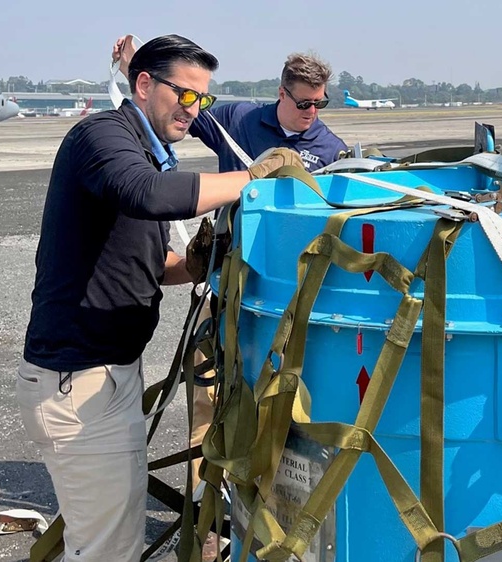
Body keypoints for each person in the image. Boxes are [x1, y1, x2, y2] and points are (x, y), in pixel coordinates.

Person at [16, 34, 301, 562]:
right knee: (106, 549)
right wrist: (253, 178)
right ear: (144, 84)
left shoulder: (148, 154)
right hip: (76, 381)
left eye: (203, 99)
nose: (194, 109)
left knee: (115, 531)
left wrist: (194, 263)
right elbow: (148, 196)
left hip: (109, 372)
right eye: (185, 94)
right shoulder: (101, 135)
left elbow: (146, 262)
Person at [117, 40, 345, 172]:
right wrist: (132, 67)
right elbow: (176, 107)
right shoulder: (238, 119)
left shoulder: (332, 149)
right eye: (304, 104)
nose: (312, 112)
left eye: (320, 103)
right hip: (231, 249)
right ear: (282, 94)